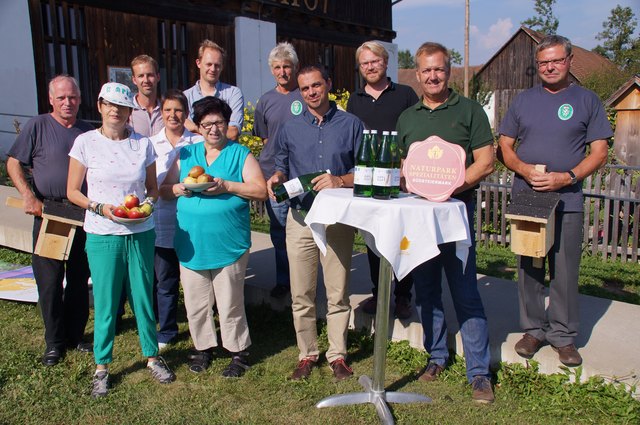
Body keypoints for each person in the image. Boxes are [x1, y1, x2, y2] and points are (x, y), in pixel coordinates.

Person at [497, 35, 611, 367]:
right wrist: (522, 169)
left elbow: (600, 152)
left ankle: (563, 336)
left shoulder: (587, 100)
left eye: (556, 61)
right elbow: (505, 144)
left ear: (569, 61)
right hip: (527, 197)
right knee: (530, 268)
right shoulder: (523, 101)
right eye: (544, 62)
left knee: (564, 270)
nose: (550, 67)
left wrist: (568, 177)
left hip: (567, 198)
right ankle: (533, 331)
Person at [396, 42, 495, 404]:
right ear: (418, 74)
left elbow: (486, 161)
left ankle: (479, 373)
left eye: (438, 69)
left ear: (449, 71)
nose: (432, 76)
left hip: (456, 214)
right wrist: (413, 183)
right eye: (426, 70)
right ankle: (436, 356)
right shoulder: (408, 118)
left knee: (465, 292)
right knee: (427, 291)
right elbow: (404, 167)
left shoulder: (469, 111)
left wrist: (449, 187)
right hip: (420, 217)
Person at [67, 82, 176, 398]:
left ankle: (152, 356)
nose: (115, 110)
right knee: (106, 299)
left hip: (140, 231)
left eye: (122, 106)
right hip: (102, 234)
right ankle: (102, 366)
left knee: (143, 294)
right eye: (109, 104)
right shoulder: (85, 142)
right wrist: (100, 207)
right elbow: (73, 191)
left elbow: (153, 189)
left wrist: (148, 207)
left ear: (131, 111)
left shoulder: (142, 144)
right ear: (100, 106)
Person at [267, 65, 363, 381]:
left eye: (317, 85)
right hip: (301, 218)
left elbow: (364, 173)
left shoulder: (351, 124)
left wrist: (340, 179)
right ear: (300, 91)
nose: (311, 92)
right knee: (301, 292)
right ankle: (307, 353)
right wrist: (277, 179)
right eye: (305, 88)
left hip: (337, 221)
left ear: (329, 84)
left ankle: (338, 355)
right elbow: (281, 166)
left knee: (337, 291)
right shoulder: (289, 128)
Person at [160, 96, 267, 377]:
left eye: (218, 122)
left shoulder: (240, 154)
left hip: (228, 242)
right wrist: (178, 189)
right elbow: (164, 189)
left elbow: (260, 190)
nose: (213, 129)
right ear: (198, 126)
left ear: (226, 123)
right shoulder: (185, 154)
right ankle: (202, 347)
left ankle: (238, 351)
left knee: (230, 302)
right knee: (196, 302)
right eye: (206, 123)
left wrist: (227, 186)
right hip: (191, 243)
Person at [6, 75, 92, 366]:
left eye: (72, 97)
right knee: (51, 280)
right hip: (50, 213)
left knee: (80, 279)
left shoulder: (87, 132)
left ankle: (75, 336)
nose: (68, 103)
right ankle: (54, 342)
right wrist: (28, 196)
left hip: (81, 213)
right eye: (62, 98)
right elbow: (14, 162)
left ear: (79, 99)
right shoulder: (38, 126)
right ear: (51, 100)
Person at [346, 40, 419, 320]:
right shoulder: (355, 100)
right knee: (373, 241)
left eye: (374, 61)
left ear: (386, 63)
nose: (370, 67)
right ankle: (380, 294)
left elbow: (415, 136)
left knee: (402, 242)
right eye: (365, 63)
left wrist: (406, 167)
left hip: (399, 181)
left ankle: (403, 297)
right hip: (368, 179)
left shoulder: (405, 94)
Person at [149, 90, 203, 350]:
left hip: (193, 224)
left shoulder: (197, 143)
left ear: (186, 113)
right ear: (161, 113)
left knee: (197, 282)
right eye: (168, 110)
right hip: (162, 222)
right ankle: (167, 329)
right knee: (165, 281)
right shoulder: (151, 144)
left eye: (178, 110)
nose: (173, 115)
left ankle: (200, 330)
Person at [254, 42, 305, 299]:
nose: (283, 72)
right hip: (275, 177)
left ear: (295, 67)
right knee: (279, 231)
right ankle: (284, 281)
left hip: (302, 176)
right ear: (272, 70)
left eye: (287, 66)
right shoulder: (266, 101)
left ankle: (305, 282)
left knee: (304, 232)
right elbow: (266, 140)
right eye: (277, 67)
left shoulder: (305, 95)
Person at [184, 40, 244, 140]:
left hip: (226, 154)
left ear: (222, 67)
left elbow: (233, 133)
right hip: (197, 154)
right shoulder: (186, 97)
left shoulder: (233, 93)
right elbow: (186, 136)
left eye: (217, 65)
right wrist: (221, 131)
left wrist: (195, 128)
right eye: (209, 64)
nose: (213, 69)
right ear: (198, 63)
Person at [129, 55, 164, 137]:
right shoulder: (127, 111)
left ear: (158, 77)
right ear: (134, 80)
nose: (146, 80)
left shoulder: (167, 110)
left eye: (150, 75)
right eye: (141, 76)